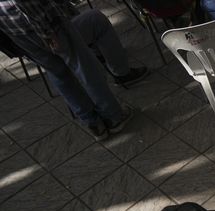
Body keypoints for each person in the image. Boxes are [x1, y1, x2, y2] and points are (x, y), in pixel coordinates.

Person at [0, 2, 148, 139]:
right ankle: (114, 117)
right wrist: (48, 32)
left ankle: (93, 123)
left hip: (14, 29)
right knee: (85, 68)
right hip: (46, 25)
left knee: (59, 74)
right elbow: (26, 6)